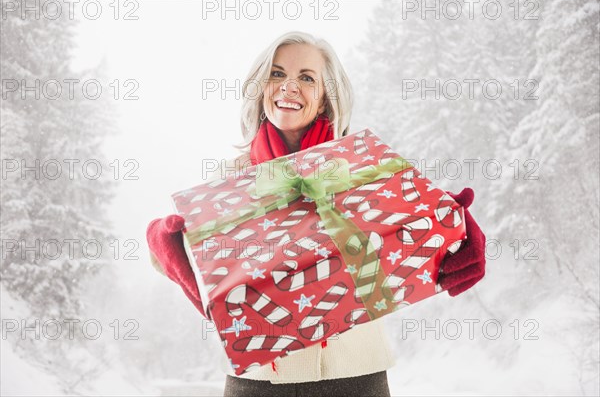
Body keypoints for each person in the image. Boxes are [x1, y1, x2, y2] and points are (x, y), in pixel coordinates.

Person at [146, 31, 487, 397]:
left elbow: (408, 226)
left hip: (357, 379)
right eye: (277, 74)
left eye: (306, 78)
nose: (288, 86)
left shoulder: (362, 168)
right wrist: (161, 244)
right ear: (262, 89)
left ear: (326, 97)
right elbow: (190, 253)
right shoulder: (230, 178)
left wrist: (454, 229)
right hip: (257, 382)